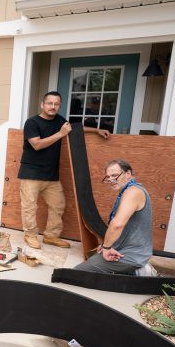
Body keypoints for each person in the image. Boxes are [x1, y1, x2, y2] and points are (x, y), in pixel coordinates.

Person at [18, 91, 110, 250]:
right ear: (42, 104)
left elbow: (72, 128)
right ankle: (30, 235)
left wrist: (96, 130)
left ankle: (51, 236)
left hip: (51, 175)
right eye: (49, 103)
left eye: (56, 104)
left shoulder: (59, 121)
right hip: (31, 173)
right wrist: (61, 134)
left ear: (59, 105)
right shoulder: (32, 122)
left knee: (58, 205)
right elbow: (37, 145)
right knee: (29, 207)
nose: (53, 107)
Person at [75, 160, 152, 274]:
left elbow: (117, 225)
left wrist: (106, 248)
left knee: (78, 272)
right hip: (123, 249)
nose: (111, 179)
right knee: (91, 256)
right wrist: (105, 245)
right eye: (108, 177)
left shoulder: (133, 192)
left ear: (128, 174)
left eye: (115, 175)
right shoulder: (128, 191)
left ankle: (138, 272)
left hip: (131, 255)